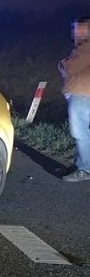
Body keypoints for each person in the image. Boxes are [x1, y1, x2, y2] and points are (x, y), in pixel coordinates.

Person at [57, 17, 90, 182]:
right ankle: (79, 165)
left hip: (82, 95)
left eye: (78, 28)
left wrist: (63, 64)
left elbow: (70, 66)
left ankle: (85, 170)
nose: (75, 31)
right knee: (83, 133)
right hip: (81, 94)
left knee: (80, 133)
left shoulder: (85, 46)